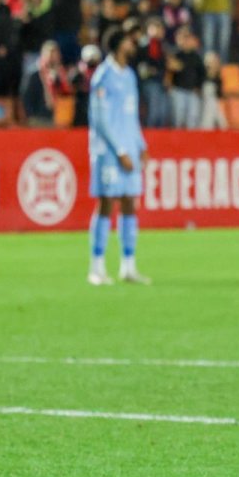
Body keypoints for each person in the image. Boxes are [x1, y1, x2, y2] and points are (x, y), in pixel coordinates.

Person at [88, 27, 150, 286]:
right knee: (106, 203)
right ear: (117, 45)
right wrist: (120, 151)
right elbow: (100, 120)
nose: (132, 43)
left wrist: (140, 145)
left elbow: (131, 115)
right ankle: (97, 267)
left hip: (129, 148)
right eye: (127, 40)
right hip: (109, 152)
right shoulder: (103, 76)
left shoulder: (130, 76)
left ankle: (128, 265)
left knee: (129, 203)